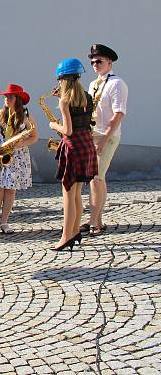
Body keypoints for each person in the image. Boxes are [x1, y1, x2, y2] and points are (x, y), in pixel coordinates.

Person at [50, 58, 98, 251]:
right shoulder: (87, 96)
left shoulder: (65, 101)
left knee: (68, 195)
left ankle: (65, 236)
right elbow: (84, 121)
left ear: (63, 79)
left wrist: (53, 125)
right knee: (77, 193)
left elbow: (68, 130)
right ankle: (75, 231)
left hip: (73, 148)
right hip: (87, 145)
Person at [0, 84, 38, 235]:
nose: (6, 99)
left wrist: (22, 142)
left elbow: (34, 136)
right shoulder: (0, 113)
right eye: (5, 97)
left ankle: (5, 222)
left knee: (10, 191)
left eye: (10, 97)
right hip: (1, 153)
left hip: (17, 155)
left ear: (17, 99)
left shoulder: (26, 116)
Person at [85, 44, 128, 236]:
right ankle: (98, 220)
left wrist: (104, 138)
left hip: (108, 136)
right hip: (92, 134)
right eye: (92, 61)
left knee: (96, 177)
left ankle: (93, 221)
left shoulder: (117, 83)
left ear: (109, 62)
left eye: (99, 61)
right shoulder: (94, 84)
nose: (95, 64)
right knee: (96, 179)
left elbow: (119, 113)